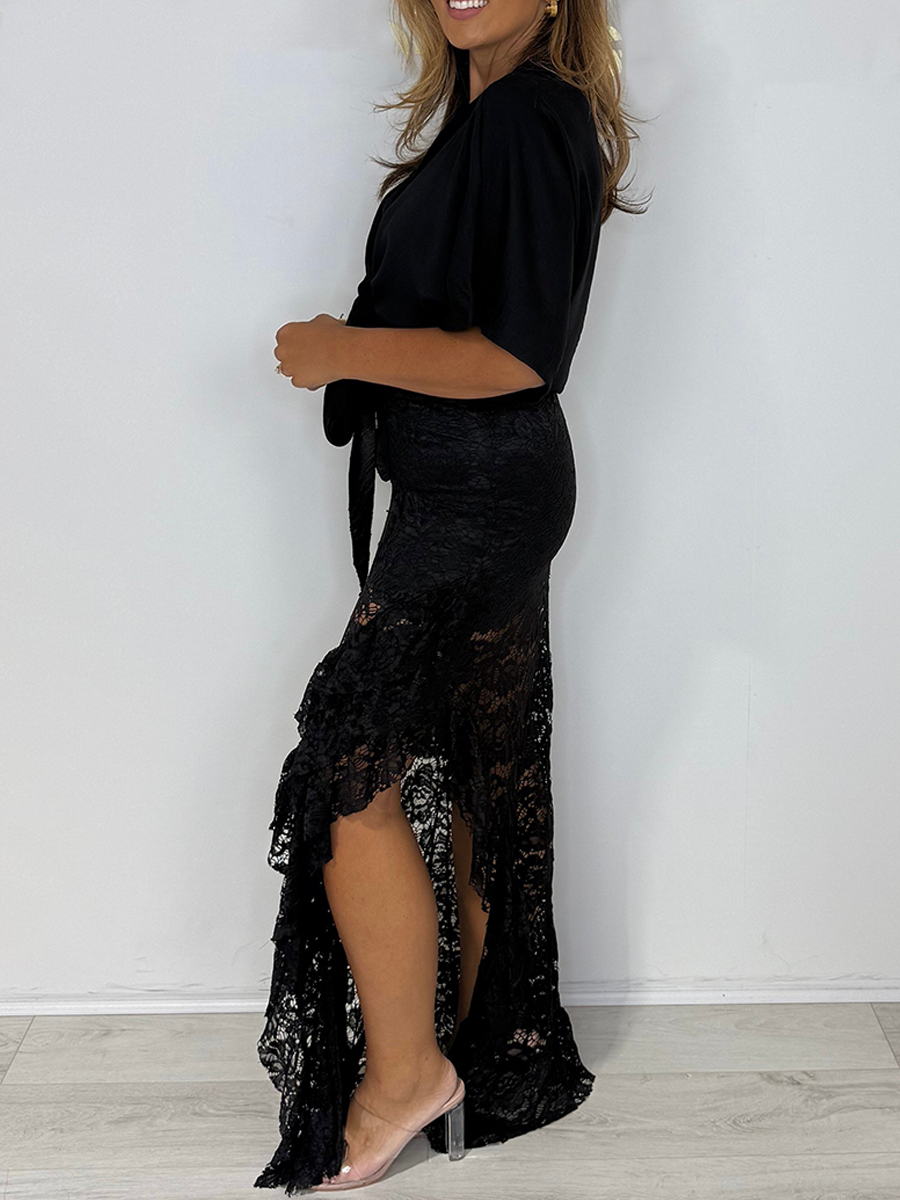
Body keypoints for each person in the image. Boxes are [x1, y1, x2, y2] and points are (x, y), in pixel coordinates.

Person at [258, 0, 647, 1192]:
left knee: (346, 766)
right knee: (481, 768)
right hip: (470, 486)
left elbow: (517, 355)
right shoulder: (494, 114)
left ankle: (405, 1077)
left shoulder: (529, 114)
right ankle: (486, 1053)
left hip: (482, 490)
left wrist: (338, 349)